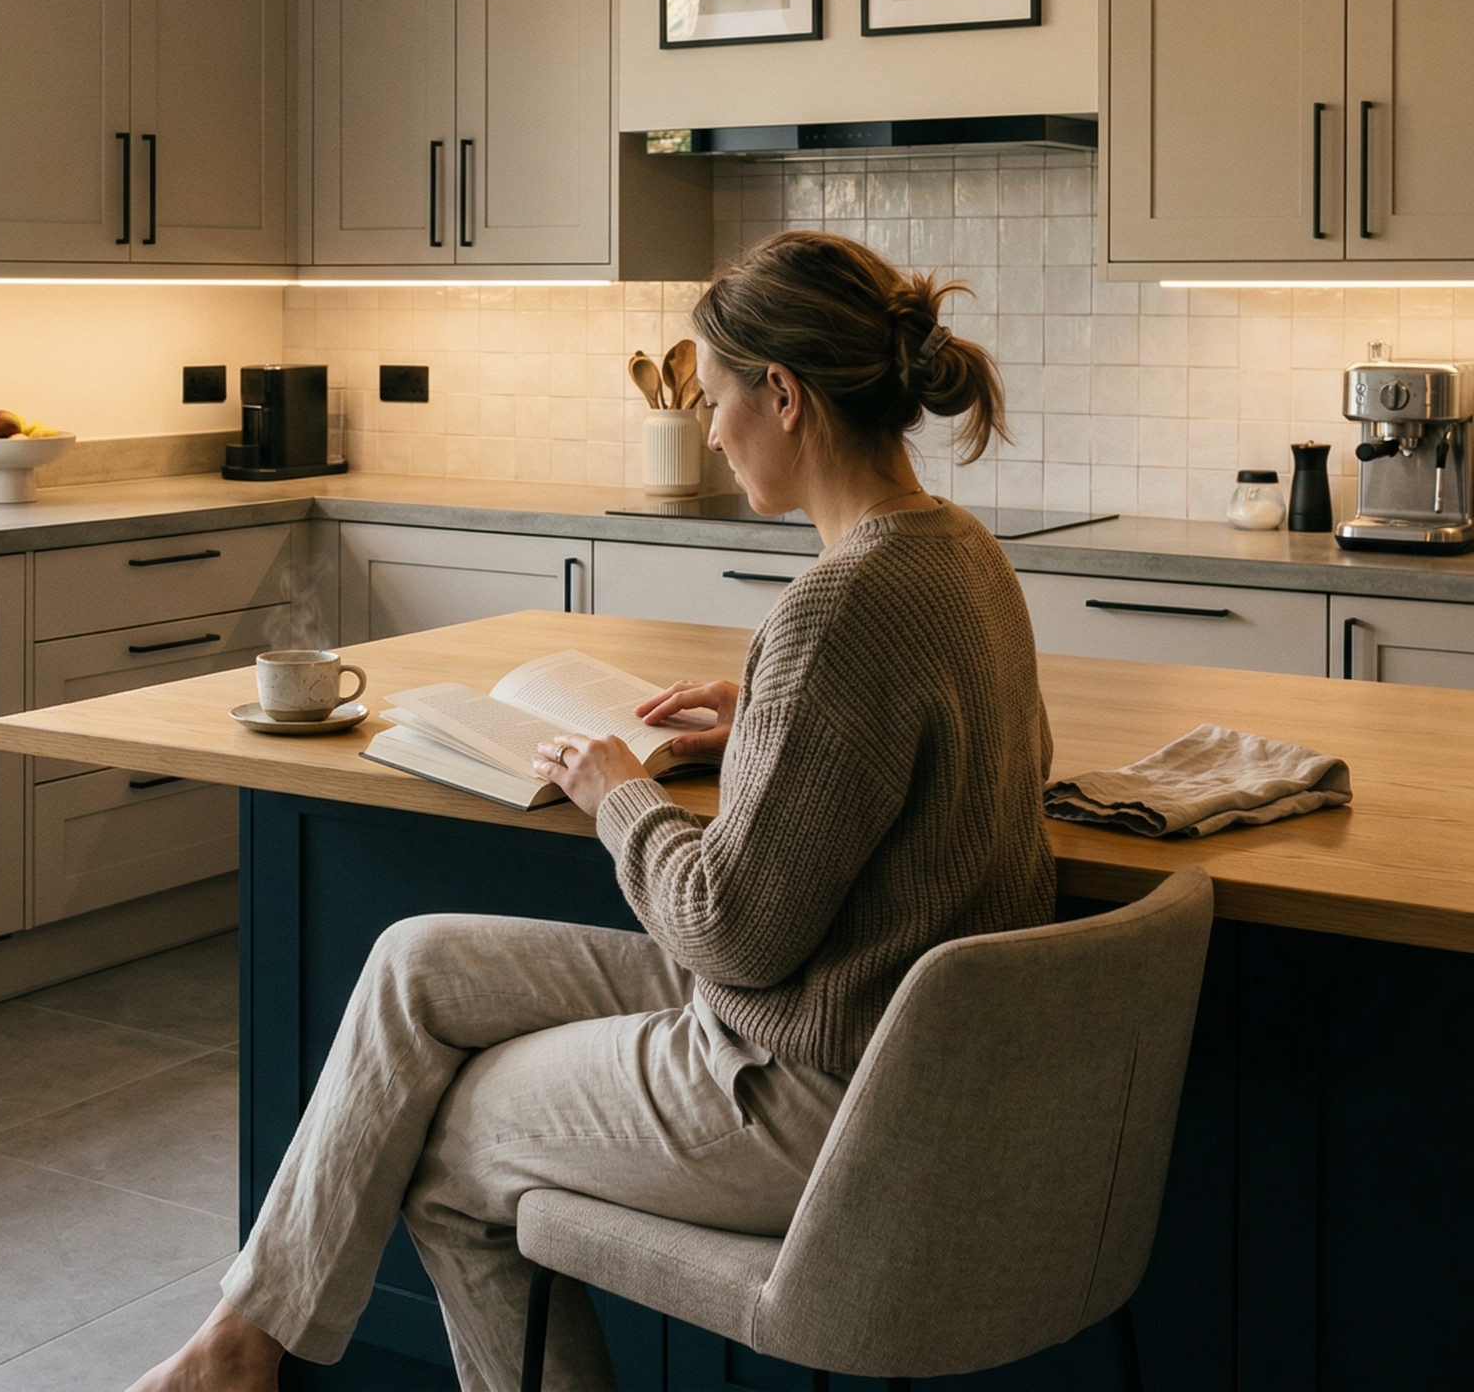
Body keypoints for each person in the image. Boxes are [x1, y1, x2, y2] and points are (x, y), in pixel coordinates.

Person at [132, 231, 1057, 1392]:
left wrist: (615, 791)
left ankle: (232, 1354)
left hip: (813, 1082)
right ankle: (236, 1343)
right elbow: (934, 758)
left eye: (718, 398)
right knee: (416, 961)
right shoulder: (961, 553)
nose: (711, 432)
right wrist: (764, 716)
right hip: (880, 1032)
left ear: (781, 394)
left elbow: (727, 933)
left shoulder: (839, 599)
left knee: (446, 1147)